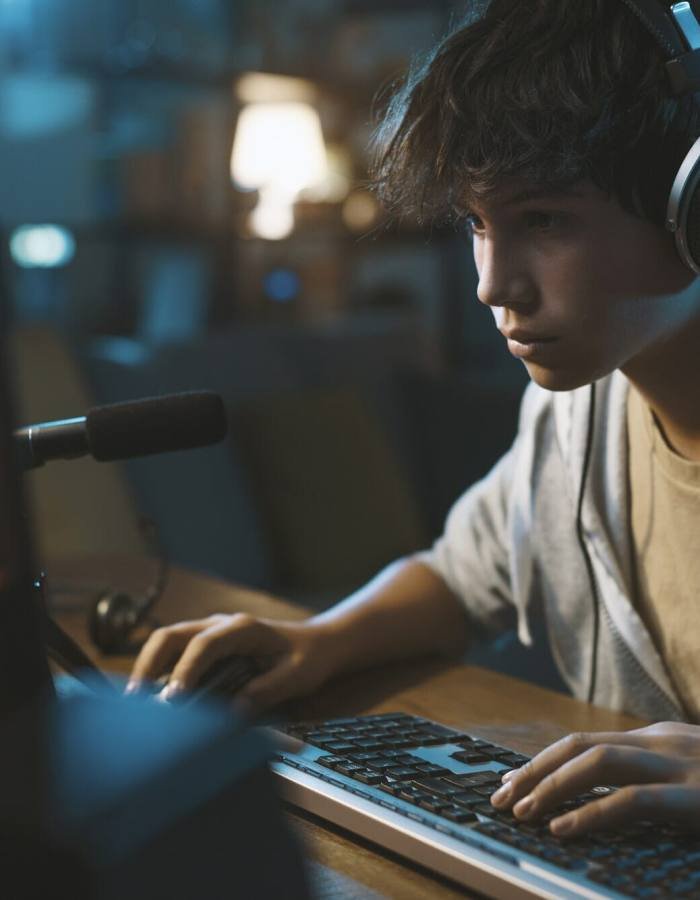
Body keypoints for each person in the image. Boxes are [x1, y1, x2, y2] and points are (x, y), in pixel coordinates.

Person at [127, 0, 700, 835]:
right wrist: (317, 641)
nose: (492, 285)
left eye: (544, 220)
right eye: (477, 223)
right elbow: (463, 575)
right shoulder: (573, 416)